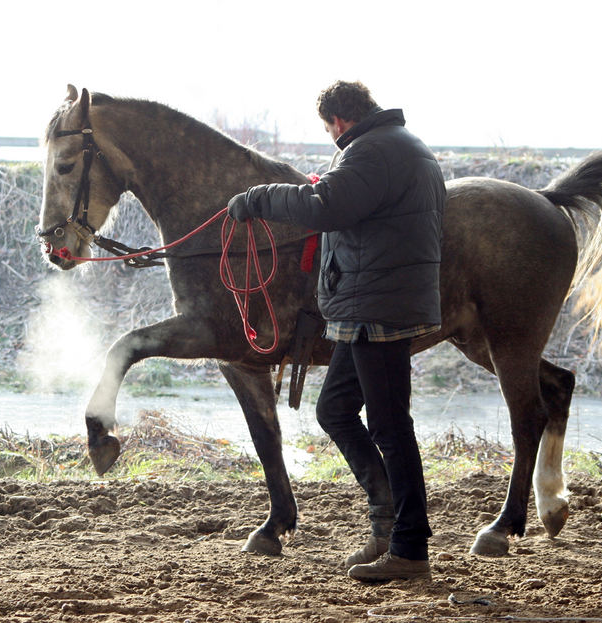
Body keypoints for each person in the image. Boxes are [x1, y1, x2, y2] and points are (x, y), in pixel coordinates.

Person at [227, 80, 444, 582]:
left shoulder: (372, 152)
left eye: (328, 130)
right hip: (372, 303)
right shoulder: (400, 146)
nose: (331, 138)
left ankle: (409, 550)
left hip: (378, 308)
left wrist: (260, 198)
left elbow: (326, 206)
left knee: (391, 427)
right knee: (335, 409)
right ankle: (387, 526)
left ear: (338, 121)